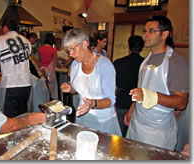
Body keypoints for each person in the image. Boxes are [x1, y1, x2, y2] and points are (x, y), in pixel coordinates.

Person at [124, 16, 189, 150]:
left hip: (158, 130)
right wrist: (132, 108)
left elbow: (181, 102)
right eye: (145, 31)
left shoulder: (177, 63)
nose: (145, 35)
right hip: (137, 123)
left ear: (165, 34)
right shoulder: (145, 61)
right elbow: (142, 88)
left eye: (151, 31)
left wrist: (150, 96)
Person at [60, 28, 122, 136]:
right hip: (83, 117)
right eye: (68, 51)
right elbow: (79, 89)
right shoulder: (75, 65)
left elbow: (110, 100)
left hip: (103, 120)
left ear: (84, 44)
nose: (71, 54)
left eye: (73, 49)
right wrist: (70, 88)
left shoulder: (104, 65)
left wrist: (92, 104)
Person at [0, 19, 32, 118]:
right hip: (26, 84)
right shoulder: (26, 41)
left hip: (10, 84)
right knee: (23, 118)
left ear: (5, 27)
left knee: (8, 119)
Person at [113, 35, 144, 137]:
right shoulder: (145, 64)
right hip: (139, 103)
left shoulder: (118, 62)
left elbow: (113, 86)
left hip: (121, 101)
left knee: (118, 134)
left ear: (128, 47)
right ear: (142, 48)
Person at [39, 33, 63, 100]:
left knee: (46, 88)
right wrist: (62, 67)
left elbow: (39, 61)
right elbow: (56, 62)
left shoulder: (40, 48)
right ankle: (54, 103)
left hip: (43, 71)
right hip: (51, 71)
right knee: (53, 90)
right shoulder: (53, 49)